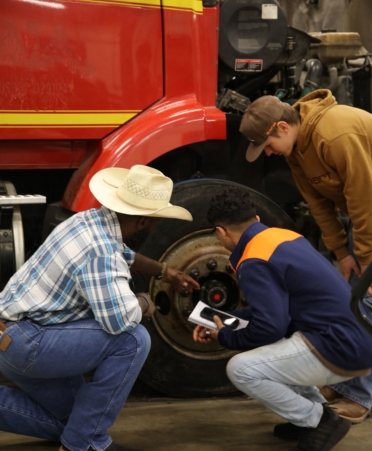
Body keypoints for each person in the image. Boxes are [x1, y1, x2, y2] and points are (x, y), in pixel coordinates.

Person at [0, 165, 200, 451]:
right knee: (133, 340)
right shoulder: (102, 253)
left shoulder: (86, 222)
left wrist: (164, 271)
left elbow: (123, 254)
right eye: (157, 220)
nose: (157, 226)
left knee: (76, 420)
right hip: (30, 345)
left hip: (11, 338)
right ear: (144, 222)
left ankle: (79, 437)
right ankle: (83, 446)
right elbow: (119, 320)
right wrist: (144, 302)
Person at [193, 186, 372, 451]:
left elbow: (270, 328)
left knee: (240, 369)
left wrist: (226, 336)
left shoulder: (254, 261)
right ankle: (308, 418)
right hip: (358, 339)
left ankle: (320, 420)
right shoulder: (280, 237)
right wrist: (223, 319)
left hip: (339, 348)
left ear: (220, 232)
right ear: (255, 220)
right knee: (278, 347)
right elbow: (273, 309)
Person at [239, 89, 372, 424]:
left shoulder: (336, 133)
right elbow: (318, 204)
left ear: (282, 127)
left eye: (266, 146)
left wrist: (367, 260)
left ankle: (363, 396)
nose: (267, 154)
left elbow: (364, 199)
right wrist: (341, 252)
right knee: (353, 302)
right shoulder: (297, 150)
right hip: (365, 219)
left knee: (366, 305)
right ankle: (349, 381)